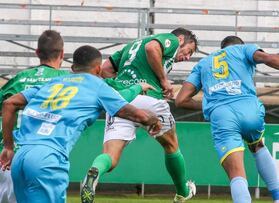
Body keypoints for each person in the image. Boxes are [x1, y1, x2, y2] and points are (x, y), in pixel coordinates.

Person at [175, 36, 279, 203]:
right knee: (258, 145)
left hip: (222, 116)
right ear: (240, 45)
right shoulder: (244, 49)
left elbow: (180, 100)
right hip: (248, 109)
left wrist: (212, 106)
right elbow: (270, 59)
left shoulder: (203, 64)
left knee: (236, 173)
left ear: (222, 47)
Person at [0, 45, 162, 203]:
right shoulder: (97, 85)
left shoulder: (54, 82)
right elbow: (135, 114)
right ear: (98, 69)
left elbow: (9, 104)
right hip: (48, 157)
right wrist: (154, 120)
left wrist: (8, 146)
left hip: (20, 157)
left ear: (72, 67)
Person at [81, 27, 198, 203]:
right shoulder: (171, 40)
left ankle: (95, 170)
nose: (187, 57)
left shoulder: (130, 47)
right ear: (181, 39)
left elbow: (105, 68)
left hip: (120, 102)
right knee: (171, 145)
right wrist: (163, 81)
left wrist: (122, 87)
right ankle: (182, 192)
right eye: (189, 51)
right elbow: (152, 48)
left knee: (110, 156)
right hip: (148, 98)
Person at [0, 29, 69, 203]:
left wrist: (8, 145)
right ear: (62, 53)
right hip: (44, 159)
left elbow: (5, 106)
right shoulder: (68, 80)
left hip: (8, 160)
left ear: (37, 52)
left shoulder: (20, 79)